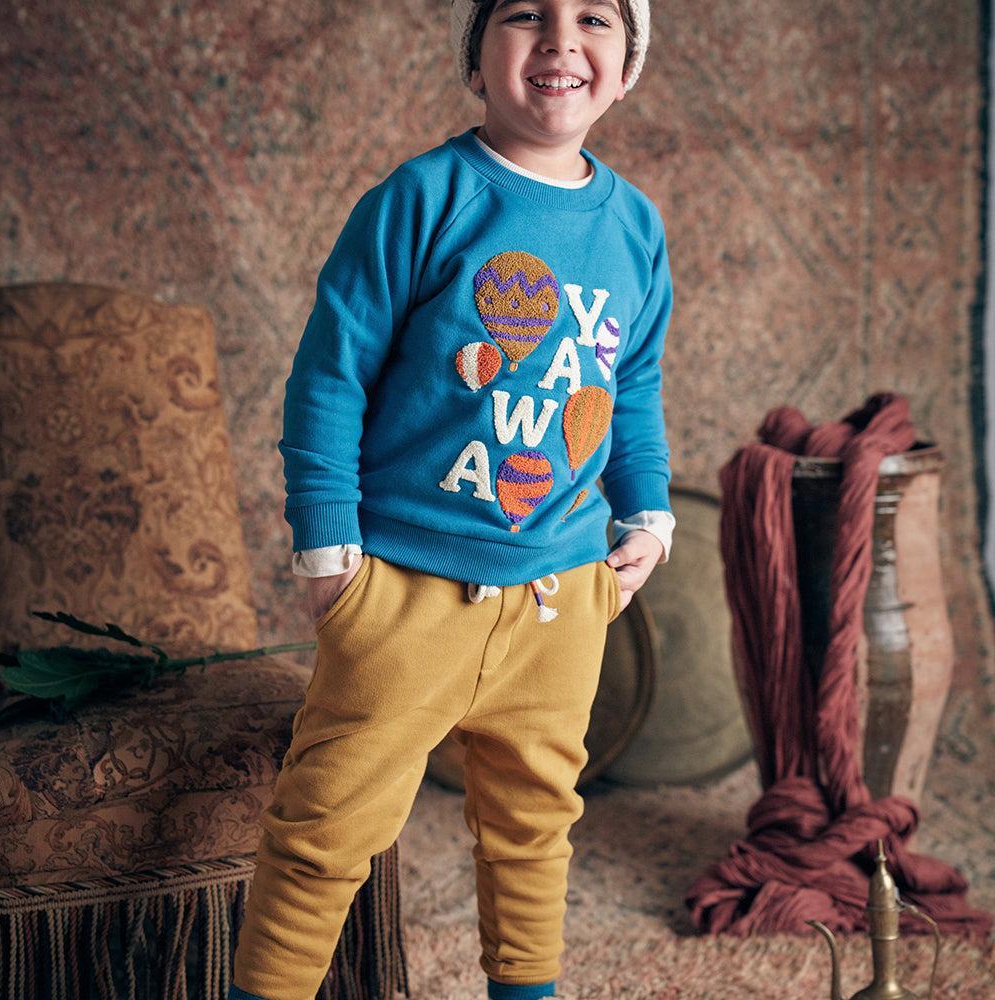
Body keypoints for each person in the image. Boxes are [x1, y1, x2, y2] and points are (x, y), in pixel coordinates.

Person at [229, 1, 674, 997]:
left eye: (595, 18)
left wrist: (646, 513)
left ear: (627, 67)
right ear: (476, 61)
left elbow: (631, 386)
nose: (561, 39)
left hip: (560, 597)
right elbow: (330, 372)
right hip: (405, 590)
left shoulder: (634, 227)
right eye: (526, 14)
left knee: (533, 831)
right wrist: (328, 550)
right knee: (325, 829)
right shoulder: (423, 198)